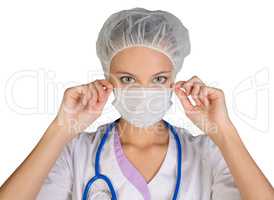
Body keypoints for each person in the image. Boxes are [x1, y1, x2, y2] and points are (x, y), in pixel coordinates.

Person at [0, 7, 273, 200]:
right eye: (128, 78)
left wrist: (223, 132)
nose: (144, 92)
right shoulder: (75, 152)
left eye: (158, 78)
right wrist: (61, 128)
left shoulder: (208, 153)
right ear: (107, 80)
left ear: (174, 81)